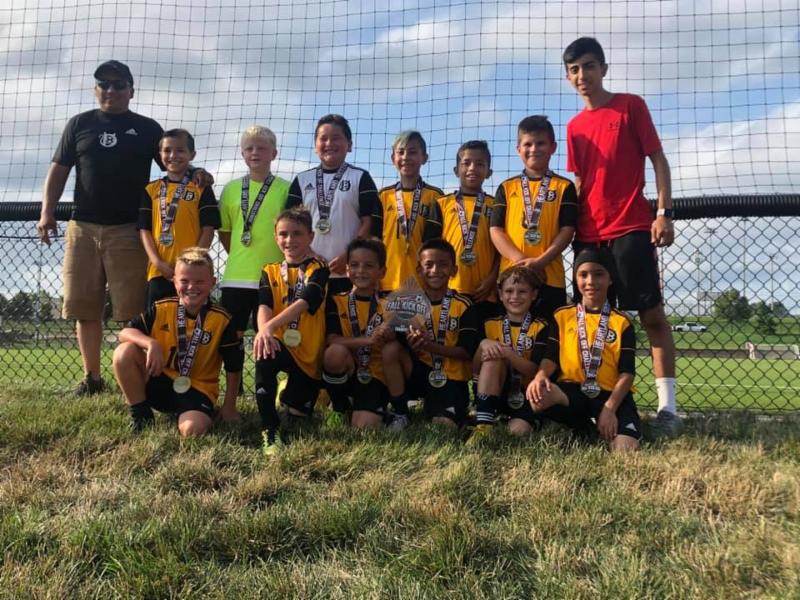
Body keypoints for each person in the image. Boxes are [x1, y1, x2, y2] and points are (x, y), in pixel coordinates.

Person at [36, 60, 211, 396]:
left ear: (131, 90)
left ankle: (133, 379)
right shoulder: (80, 124)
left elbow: (173, 161)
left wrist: (198, 172)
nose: (111, 90)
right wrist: (47, 212)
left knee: (132, 310)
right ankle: (92, 379)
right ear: (95, 89)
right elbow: (59, 169)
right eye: (104, 84)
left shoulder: (146, 128)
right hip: (83, 226)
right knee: (84, 307)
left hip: (129, 230)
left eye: (118, 85)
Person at [563, 37, 679, 434]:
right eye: (574, 70)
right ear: (568, 77)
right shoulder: (574, 127)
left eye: (588, 66)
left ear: (603, 69)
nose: (582, 75)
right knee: (591, 324)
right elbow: (581, 182)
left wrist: (662, 212)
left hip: (630, 227)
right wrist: (567, 229)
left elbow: (658, 160)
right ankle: (596, 406)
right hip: (588, 236)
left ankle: (668, 410)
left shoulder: (631, 106)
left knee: (651, 317)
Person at [112, 247, 243, 436]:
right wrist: (151, 344)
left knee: (192, 430)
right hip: (159, 380)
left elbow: (234, 366)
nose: (191, 287)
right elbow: (125, 332)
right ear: (174, 281)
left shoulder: (222, 320)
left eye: (199, 281)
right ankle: (141, 415)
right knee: (124, 352)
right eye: (184, 281)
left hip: (197, 388)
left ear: (213, 283)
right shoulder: (162, 309)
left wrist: (229, 407)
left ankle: (194, 414)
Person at [527, 248, 641, 452]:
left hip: (610, 395)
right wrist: (540, 376)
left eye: (598, 274)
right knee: (539, 395)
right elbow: (551, 357)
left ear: (610, 279)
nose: (590, 281)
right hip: (573, 390)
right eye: (583, 274)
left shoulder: (621, 322)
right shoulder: (562, 316)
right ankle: (582, 426)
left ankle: (595, 425)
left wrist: (610, 408)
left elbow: (627, 373)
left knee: (625, 449)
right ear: (576, 278)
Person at [217, 126, 290, 396]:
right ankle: (232, 392)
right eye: (249, 148)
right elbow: (226, 233)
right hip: (236, 277)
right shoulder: (231, 189)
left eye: (261, 148)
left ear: (274, 153)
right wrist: (242, 256)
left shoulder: (285, 188)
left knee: (270, 335)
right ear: (242, 154)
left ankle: (266, 391)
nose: (255, 152)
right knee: (231, 337)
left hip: (273, 278)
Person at [253, 208, 330, 455]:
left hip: (308, 352)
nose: (289, 240)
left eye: (297, 234)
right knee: (264, 353)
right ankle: (269, 429)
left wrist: (270, 326)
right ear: (276, 237)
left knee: (298, 419)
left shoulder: (319, 268)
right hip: (280, 343)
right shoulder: (269, 270)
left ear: (310, 237)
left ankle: (288, 393)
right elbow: (264, 305)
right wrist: (264, 332)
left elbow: (306, 302)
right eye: (283, 234)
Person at [381, 239, 479, 430]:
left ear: (454, 270)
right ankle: (400, 413)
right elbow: (399, 341)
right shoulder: (409, 303)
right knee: (390, 350)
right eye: (429, 265)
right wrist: (402, 337)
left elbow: (467, 352)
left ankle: (454, 413)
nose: (435, 270)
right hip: (420, 372)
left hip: (450, 378)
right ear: (419, 269)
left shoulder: (464, 305)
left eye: (443, 265)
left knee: (442, 428)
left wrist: (429, 346)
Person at [490, 115, 577, 319]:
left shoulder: (564, 186)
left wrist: (539, 262)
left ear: (553, 147)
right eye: (527, 144)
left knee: (547, 333)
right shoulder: (506, 187)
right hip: (511, 279)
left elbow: (567, 230)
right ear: (518, 149)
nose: (534, 149)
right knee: (509, 333)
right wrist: (520, 260)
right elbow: (496, 230)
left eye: (541, 143)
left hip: (549, 277)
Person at [285, 114, 380, 295]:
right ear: (315, 146)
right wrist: (309, 253)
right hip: (309, 271)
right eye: (323, 138)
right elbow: (290, 224)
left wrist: (349, 255)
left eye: (336, 138)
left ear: (349, 145)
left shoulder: (361, 177)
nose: (329, 143)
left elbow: (368, 221)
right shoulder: (301, 180)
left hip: (349, 272)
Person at [138, 129, 220, 306]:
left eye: (180, 150)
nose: (173, 155)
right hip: (160, 272)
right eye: (167, 150)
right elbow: (145, 230)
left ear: (192, 155)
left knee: (192, 319)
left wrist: (192, 261)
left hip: (192, 275)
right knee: (158, 320)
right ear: (160, 154)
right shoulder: (151, 190)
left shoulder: (201, 187)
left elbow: (208, 229)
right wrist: (158, 262)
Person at [470, 265, 548, 443]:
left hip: (526, 394)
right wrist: (483, 345)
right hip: (494, 390)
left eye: (522, 291)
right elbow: (474, 370)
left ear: (534, 294)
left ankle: (515, 420)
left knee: (517, 432)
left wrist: (510, 355)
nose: (515, 296)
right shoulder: (489, 325)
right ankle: (483, 425)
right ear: (500, 294)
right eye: (509, 291)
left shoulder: (541, 327)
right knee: (493, 357)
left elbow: (536, 370)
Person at [323, 239, 394, 428]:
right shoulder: (336, 301)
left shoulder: (390, 305)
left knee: (363, 426)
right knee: (334, 353)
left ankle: (382, 409)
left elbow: (397, 345)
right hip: (349, 368)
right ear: (347, 270)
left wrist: (389, 334)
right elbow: (332, 339)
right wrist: (369, 340)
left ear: (382, 272)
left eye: (368, 266)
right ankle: (339, 407)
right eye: (354, 265)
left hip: (375, 373)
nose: (360, 271)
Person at [426, 140, 498, 305]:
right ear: (456, 170)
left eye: (480, 164)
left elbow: (501, 251)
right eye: (466, 163)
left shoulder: (496, 205)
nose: (472, 168)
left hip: (485, 292)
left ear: (489, 172)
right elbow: (430, 249)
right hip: (449, 290)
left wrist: (493, 278)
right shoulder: (441, 204)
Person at [377, 130, 443, 293]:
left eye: (412, 152)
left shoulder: (435, 196)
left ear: (424, 158)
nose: (406, 157)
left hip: (422, 285)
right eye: (401, 152)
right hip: (387, 282)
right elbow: (374, 239)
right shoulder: (383, 196)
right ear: (393, 158)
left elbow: (439, 242)